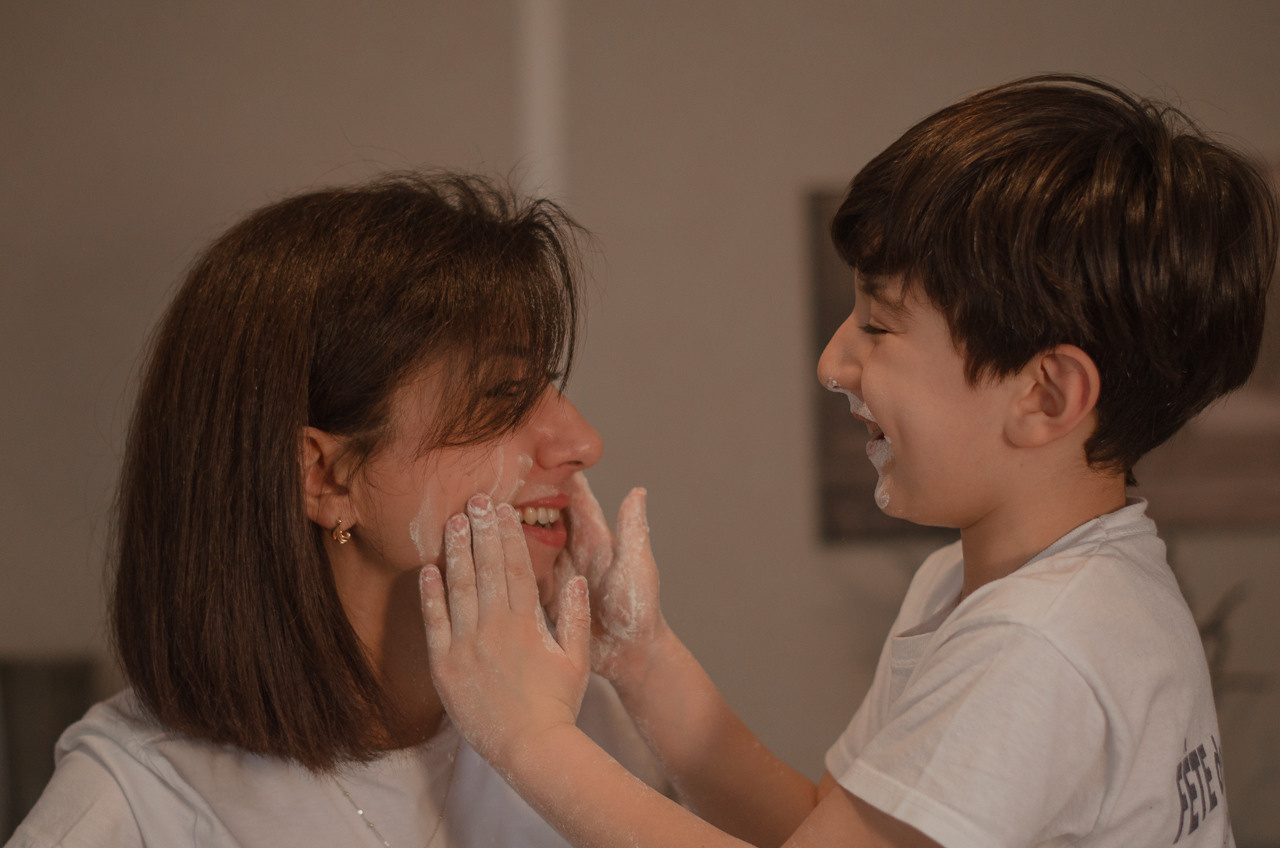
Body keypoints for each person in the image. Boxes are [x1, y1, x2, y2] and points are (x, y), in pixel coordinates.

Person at [419, 75, 1278, 848]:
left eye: (878, 324)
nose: (833, 363)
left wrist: (531, 740)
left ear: (1045, 395)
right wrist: (641, 658)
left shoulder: (1037, 644)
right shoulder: (998, 587)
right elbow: (822, 828)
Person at [7, 173, 668, 848]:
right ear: (323, 477)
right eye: (503, 393)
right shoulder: (138, 804)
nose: (584, 443)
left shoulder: (578, 715)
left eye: (548, 386)